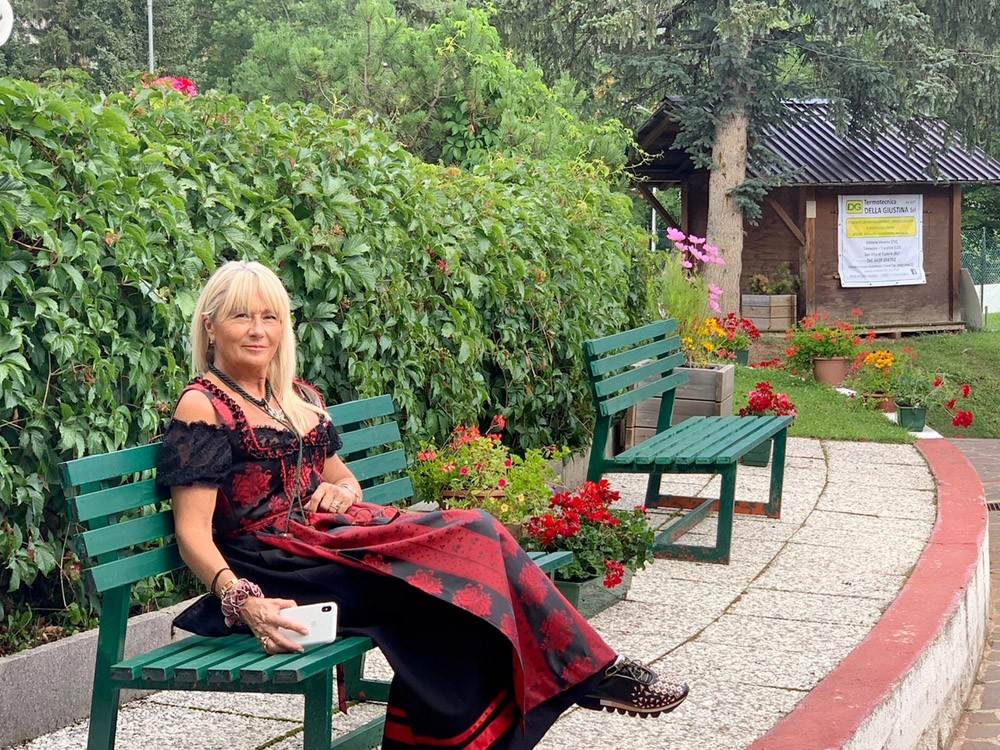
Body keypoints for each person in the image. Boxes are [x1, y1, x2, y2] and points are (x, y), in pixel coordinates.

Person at [157, 260, 688, 749]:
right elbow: (193, 534)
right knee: (454, 576)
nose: (257, 330)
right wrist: (244, 602)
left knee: (473, 542)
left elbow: (342, 478)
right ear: (210, 326)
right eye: (241, 316)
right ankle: (591, 674)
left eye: (269, 317)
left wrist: (344, 491)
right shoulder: (203, 405)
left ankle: (589, 675)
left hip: (327, 542)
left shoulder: (296, 395)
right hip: (275, 567)